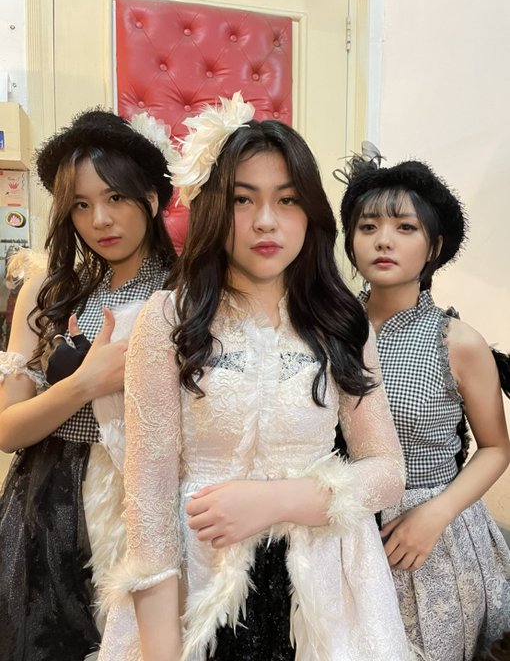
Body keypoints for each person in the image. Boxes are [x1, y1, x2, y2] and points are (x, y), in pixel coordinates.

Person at [99, 93, 409, 661]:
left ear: (310, 213)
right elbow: (148, 509)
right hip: (200, 584)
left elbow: (387, 472)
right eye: (243, 199)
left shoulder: (341, 322)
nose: (266, 221)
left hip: (325, 588)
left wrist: (276, 500)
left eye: (287, 200)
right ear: (215, 209)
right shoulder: (168, 320)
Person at [0, 109, 177, 661]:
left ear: (151, 198)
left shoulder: (188, 293)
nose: (100, 219)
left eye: (115, 197)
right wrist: (82, 384)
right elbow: (7, 430)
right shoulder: (48, 293)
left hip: (152, 500)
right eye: (80, 204)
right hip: (50, 501)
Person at [338, 147, 510, 661]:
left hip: (432, 538)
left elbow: (496, 448)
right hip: (338, 530)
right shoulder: (325, 330)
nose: (383, 240)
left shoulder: (457, 341)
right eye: (368, 227)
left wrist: (435, 515)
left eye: (405, 228)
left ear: (434, 246)